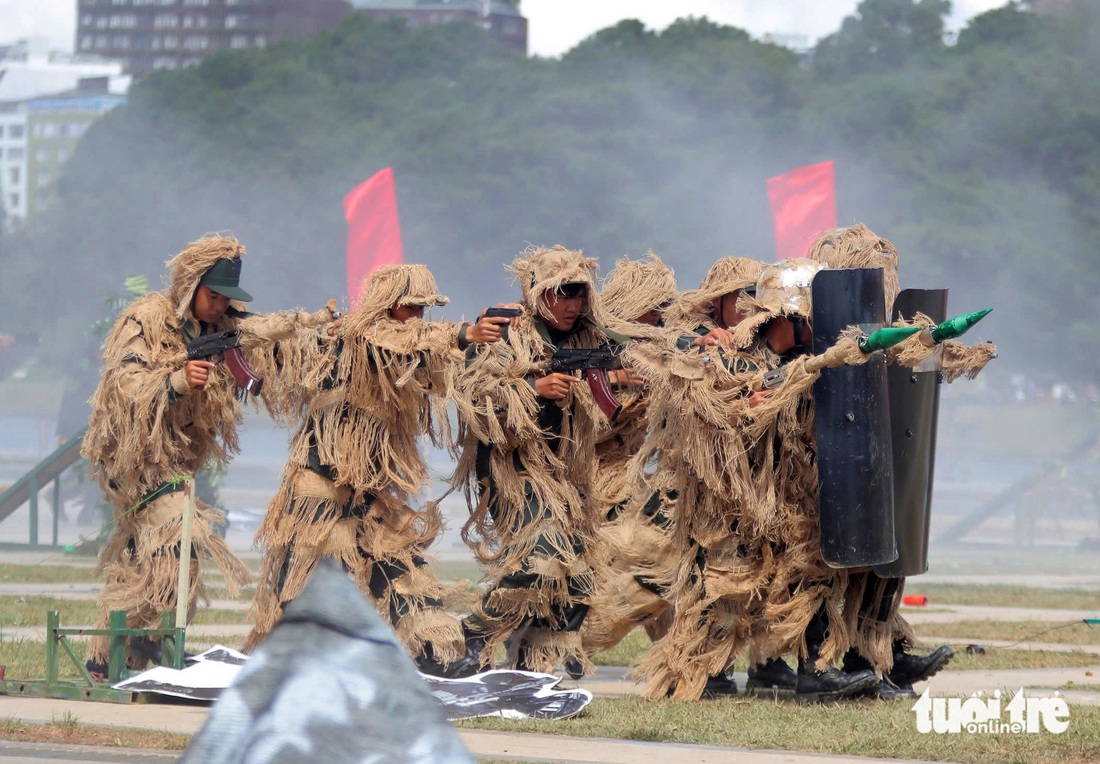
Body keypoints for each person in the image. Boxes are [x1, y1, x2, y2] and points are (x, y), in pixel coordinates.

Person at [81, 234, 335, 677]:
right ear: (190, 285)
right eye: (212, 296)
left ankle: (111, 656)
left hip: (175, 460)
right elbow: (125, 383)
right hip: (132, 457)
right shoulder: (147, 320)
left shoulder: (222, 326)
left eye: (225, 298)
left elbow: (260, 330)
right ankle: (145, 640)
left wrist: (313, 323)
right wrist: (178, 380)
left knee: (158, 558)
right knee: (178, 537)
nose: (219, 306)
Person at [245, 264, 505, 678]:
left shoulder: (409, 349)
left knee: (408, 576)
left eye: (423, 309)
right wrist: (462, 334)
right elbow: (394, 338)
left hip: (369, 495)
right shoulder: (359, 335)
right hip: (319, 490)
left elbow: (435, 365)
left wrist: (481, 340)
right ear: (388, 305)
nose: (418, 317)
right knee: (305, 588)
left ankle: (436, 653)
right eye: (411, 308)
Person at [452, 245, 628, 676]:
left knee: (580, 572)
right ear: (538, 292)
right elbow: (472, 397)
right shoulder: (506, 331)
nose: (573, 304)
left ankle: (534, 661)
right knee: (543, 553)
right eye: (562, 293)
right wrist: (535, 388)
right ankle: (473, 635)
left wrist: (627, 375)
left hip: (564, 472)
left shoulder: (589, 334)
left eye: (579, 293)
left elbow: (645, 342)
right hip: (512, 468)